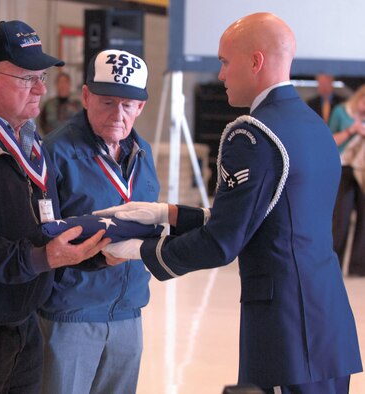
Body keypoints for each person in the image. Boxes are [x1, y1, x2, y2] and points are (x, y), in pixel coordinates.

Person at [96, 12, 363, 393]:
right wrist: (167, 215)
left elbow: (223, 242)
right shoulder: (314, 125)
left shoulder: (252, 134)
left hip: (284, 328)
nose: (220, 75)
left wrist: (138, 249)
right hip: (328, 323)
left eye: (224, 61)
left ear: (255, 61)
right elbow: (270, 219)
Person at [0, 20, 109, 394]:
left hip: (25, 323)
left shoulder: (30, 139)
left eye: (42, 76)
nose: (41, 88)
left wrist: (90, 251)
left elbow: (43, 225)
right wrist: (41, 258)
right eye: (27, 78)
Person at [38, 48, 209, 394]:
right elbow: (42, 236)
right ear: (86, 96)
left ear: (141, 106)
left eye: (128, 105)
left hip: (128, 312)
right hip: (72, 312)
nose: (118, 114)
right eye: (107, 102)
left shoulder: (142, 154)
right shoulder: (54, 154)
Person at [328, 84, 365, 276]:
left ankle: (359, 267)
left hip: (363, 170)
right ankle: (333, 263)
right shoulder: (341, 112)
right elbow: (329, 140)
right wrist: (352, 131)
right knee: (340, 217)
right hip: (343, 167)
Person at [38, 71, 82, 135]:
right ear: (56, 84)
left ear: (69, 84)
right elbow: (41, 124)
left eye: (65, 82)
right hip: (51, 141)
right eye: (60, 82)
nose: (62, 85)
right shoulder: (48, 105)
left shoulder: (77, 105)